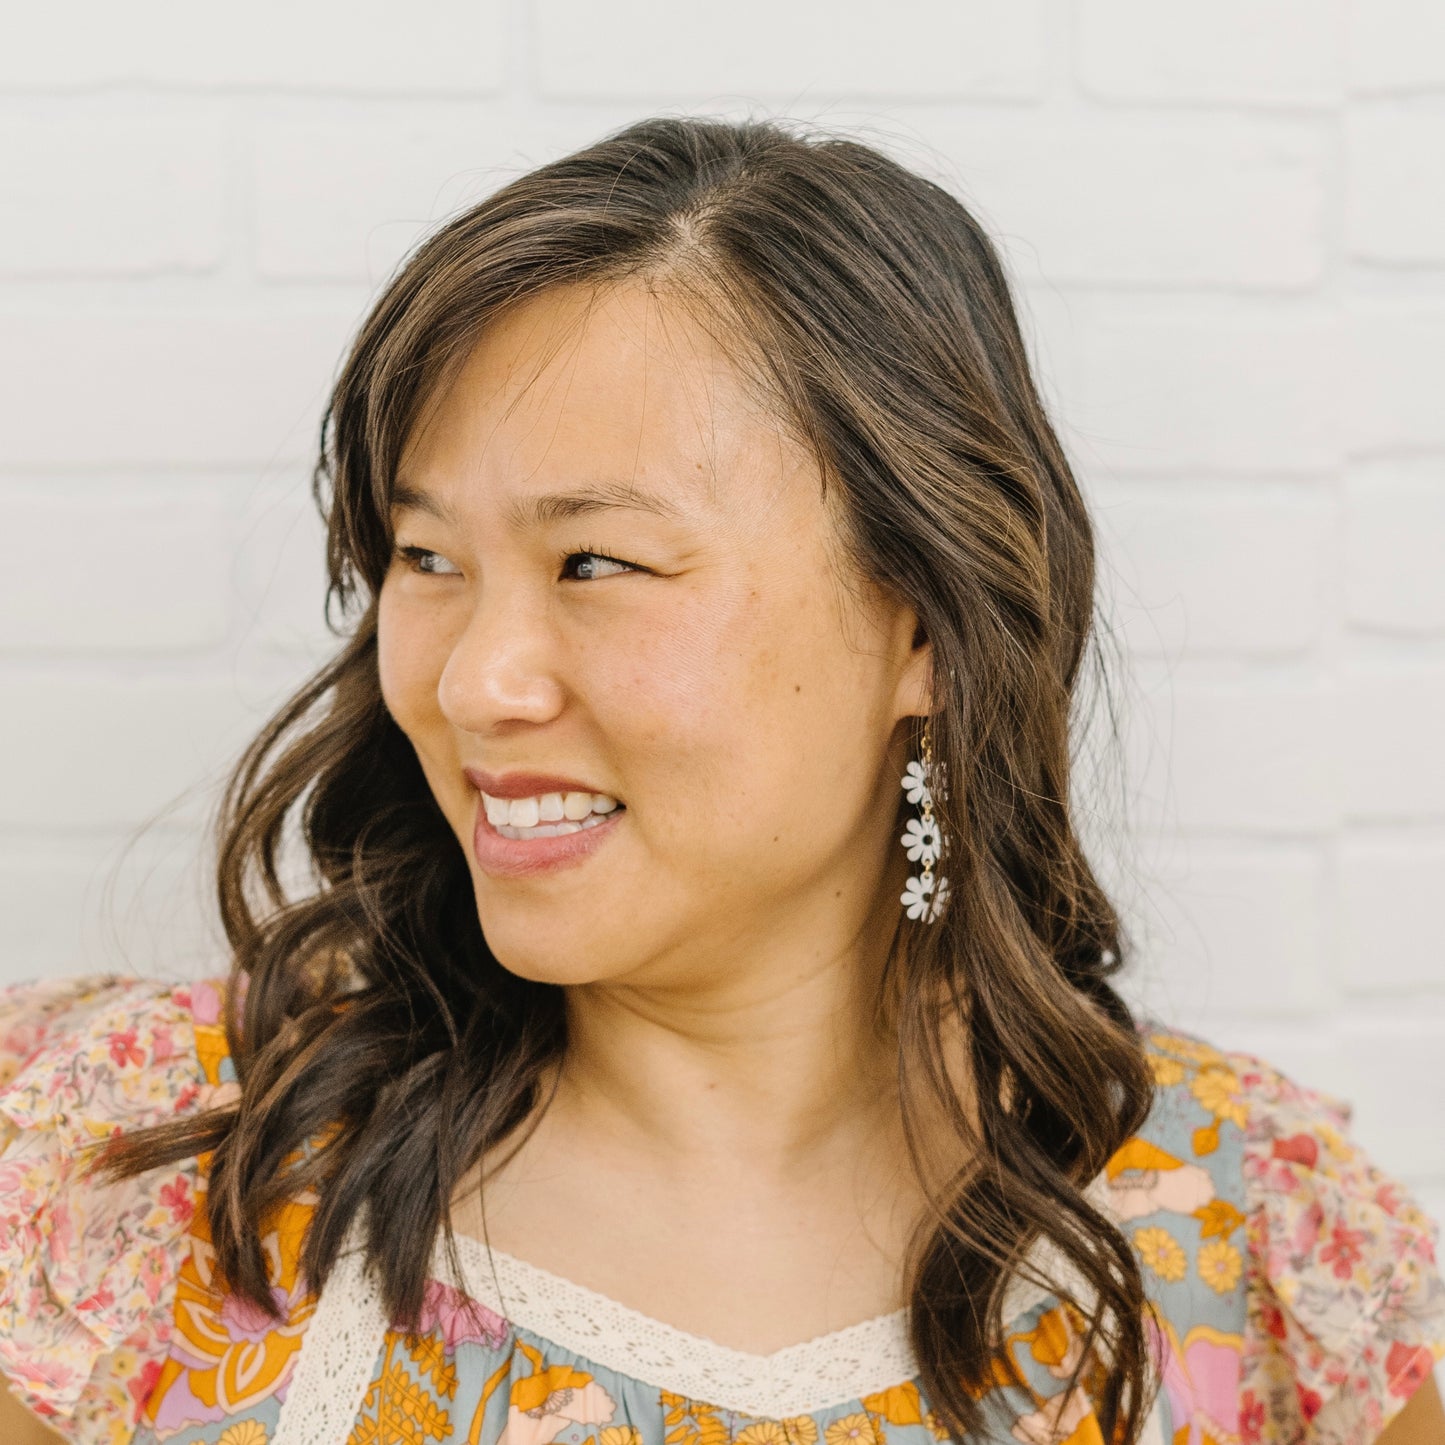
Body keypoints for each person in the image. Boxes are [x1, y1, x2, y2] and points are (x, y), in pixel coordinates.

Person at [1, 114, 1441, 1445]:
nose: (470, 680)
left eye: (598, 563)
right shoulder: (137, 1165)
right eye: (427, 558)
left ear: (923, 626)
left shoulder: (1248, 1237)